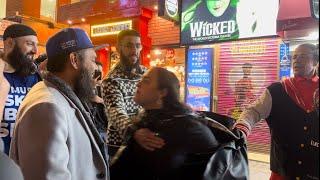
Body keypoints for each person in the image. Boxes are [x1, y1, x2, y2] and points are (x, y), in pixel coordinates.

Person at [9, 28, 109, 180]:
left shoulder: (57, 97)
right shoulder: (47, 108)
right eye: (93, 60)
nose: (96, 68)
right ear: (74, 60)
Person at [111, 67, 218, 180]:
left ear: (162, 92)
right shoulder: (151, 120)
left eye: (146, 81)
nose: (138, 84)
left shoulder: (178, 127)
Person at [235, 43, 319, 180]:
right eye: (294, 57)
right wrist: (242, 127)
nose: (296, 60)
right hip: (282, 173)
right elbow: (253, 111)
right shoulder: (277, 90)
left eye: (303, 57)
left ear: (315, 61)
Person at [102, 29, 147, 157]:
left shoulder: (146, 74)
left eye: (137, 45)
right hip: (120, 146)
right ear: (118, 48)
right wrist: (135, 132)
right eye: (128, 46)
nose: (134, 50)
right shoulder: (111, 79)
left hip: (144, 142)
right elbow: (115, 112)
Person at [0, 24, 41, 154]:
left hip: (27, 159)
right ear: (10, 43)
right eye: (29, 44)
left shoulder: (35, 78)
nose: (35, 50)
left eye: (36, 45)